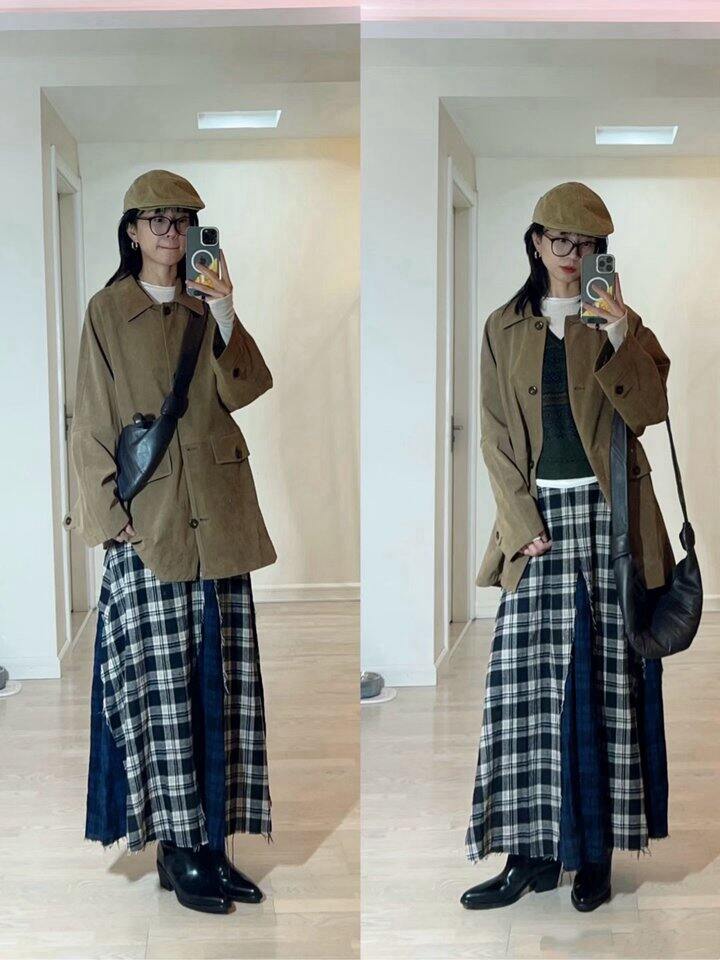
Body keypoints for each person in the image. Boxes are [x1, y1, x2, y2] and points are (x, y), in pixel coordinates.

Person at [64, 169, 276, 915]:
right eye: (155, 220)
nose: (169, 232)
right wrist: (105, 514)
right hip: (148, 523)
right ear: (130, 231)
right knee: (161, 694)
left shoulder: (205, 303)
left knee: (222, 688)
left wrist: (225, 311)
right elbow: (88, 417)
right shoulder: (106, 311)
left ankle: (212, 845)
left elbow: (246, 388)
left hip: (219, 516)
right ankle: (177, 848)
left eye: (182, 221)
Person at [460, 181, 675, 913]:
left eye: (587, 245)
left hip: (611, 519)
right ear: (535, 242)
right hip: (538, 524)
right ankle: (529, 857)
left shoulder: (620, 322)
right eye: (560, 241)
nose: (571, 255)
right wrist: (519, 522)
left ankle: (595, 857)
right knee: (521, 689)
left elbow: (650, 410)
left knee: (609, 684)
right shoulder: (502, 326)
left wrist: (619, 332)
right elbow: (494, 435)